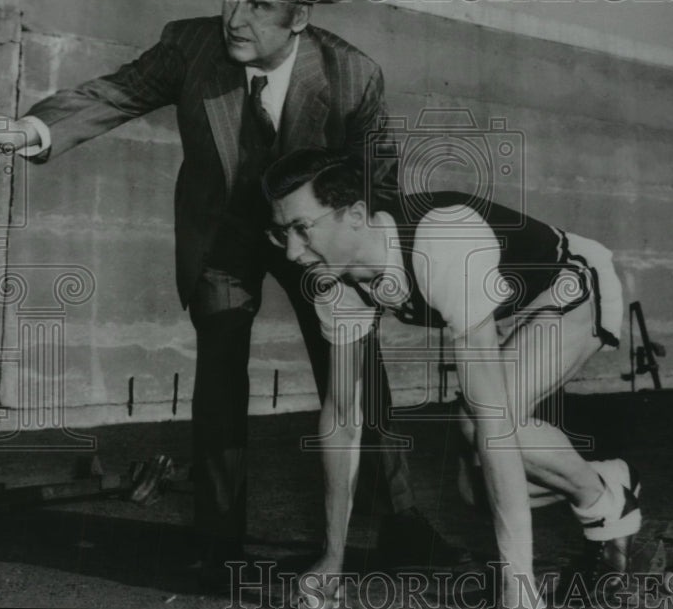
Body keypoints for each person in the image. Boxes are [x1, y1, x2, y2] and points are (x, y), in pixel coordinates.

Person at [0, 0, 463, 591]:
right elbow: (117, 91)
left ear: (298, 17)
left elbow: (374, 186)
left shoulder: (352, 76)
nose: (235, 14)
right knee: (220, 372)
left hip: (316, 236)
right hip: (224, 232)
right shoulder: (190, 47)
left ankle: (401, 522)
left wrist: (351, 270)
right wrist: (33, 127)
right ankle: (217, 539)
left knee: (353, 367)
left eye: (258, 4)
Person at [263, 148, 643, 609]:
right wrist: (332, 560)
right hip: (512, 306)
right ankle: (605, 486)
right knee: (479, 490)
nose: (291, 251)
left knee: (487, 426)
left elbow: (494, 424)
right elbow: (343, 419)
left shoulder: (443, 240)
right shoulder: (333, 281)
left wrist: (517, 590)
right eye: (282, 232)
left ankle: (602, 503)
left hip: (572, 285)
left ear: (357, 214)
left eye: (303, 229)